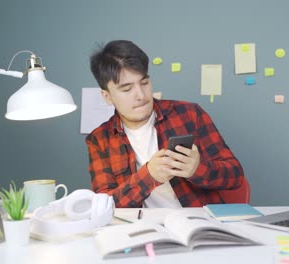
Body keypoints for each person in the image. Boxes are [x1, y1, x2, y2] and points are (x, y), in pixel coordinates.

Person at [86, 40, 244, 208]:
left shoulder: (190, 114)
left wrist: (198, 169)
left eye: (145, 83)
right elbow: (105, 205)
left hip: (198, 224)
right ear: (107, 96)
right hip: (142, 229)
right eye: (127, 89)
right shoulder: (99, 139)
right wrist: (149, 176)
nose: (141, 95)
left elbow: (236, 175)